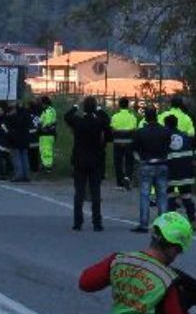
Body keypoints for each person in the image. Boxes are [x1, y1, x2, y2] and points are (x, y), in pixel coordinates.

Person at [64, 96, 109, 231]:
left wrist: (76, 106)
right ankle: (97, 223)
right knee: (96, 193)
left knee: (79, 193)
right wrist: (99, 108)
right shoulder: (98, 122)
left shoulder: (78, 122)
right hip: (96, 160)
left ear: (84, 108)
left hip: (80, 160)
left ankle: (78, 222)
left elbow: (67, 116)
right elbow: (107, 120)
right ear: (95, 108)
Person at [131, 105, 171, 231]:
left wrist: (140, 160)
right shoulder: (165, 131)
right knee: (162, 195)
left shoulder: (140, 132)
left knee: (144, 195)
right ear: (157, 116)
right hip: (162, 164)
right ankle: (163, 225)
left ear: (146, 118)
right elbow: (169, 146)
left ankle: (143, 224)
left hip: (146, 164)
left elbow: (133, 149)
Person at [164, 113, 196, 228]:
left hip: (172, 172)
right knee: (187, 195)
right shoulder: (185, 136)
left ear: (166, 125)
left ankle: (171, 221)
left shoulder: (164, 136)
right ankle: (192, 220)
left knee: (170, 195)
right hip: (186, 171)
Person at [110, 97, 138, 189]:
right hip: (129, 142)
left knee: (118, 162)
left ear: (119, 105)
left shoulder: (115, 117)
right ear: (128, 105)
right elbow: (134, 130)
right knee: (129, 162)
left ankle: (119, 182)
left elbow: (112, 129)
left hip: (117, 142)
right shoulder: (132, 117)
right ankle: (127, 177)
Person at [5, 102, 32, 182]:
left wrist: (9, 116)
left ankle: (19, 175)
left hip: (15, 140)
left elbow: (10, 125)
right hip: (25, 139)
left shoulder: (14, 116)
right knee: (24, 157)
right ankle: (26, 175)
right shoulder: (27, 115)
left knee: (17, 158)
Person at [38, 95, 57, 172]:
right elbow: (41, 120)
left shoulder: (48, 111)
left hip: (47, 133)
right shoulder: (47, 110)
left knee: (46, 150)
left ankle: (48, 166)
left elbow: (47, 122)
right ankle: (45, 164)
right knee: (44, 149)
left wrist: (42, 127)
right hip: (46, 134)